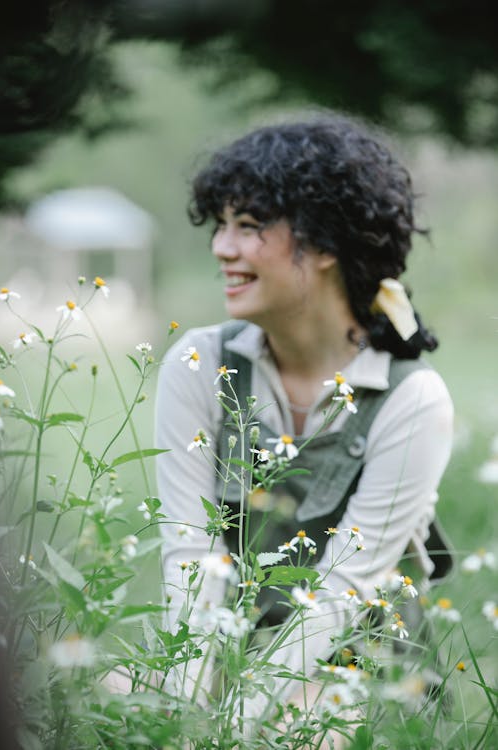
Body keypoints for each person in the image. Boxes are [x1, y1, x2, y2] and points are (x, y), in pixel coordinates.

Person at [154, 111, 454, 735]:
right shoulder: (197, 363)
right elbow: (191, 555)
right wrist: (182, 716)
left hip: (359, 671)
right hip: (227, 658)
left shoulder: (411, 398)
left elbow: (347, 585)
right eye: (221, 226)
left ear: (321, 244)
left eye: (249, 226)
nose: (222, 248)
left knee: (303, 729)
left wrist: (241, 722)